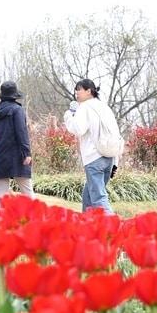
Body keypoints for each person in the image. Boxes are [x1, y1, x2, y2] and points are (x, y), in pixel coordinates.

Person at [63, 78, 119, 214]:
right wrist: (116, 162)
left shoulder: (85, 107)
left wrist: (68, 116)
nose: (76, 92)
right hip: (109, 157)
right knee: (89, 195)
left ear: (89, 91)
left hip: (94, 158)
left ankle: (113, 228)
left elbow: (78, 129)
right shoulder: (105, 107)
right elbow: (116, 133)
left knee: (98, 198)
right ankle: (85, 226)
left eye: (79, 89)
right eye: (76, 89)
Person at [0, 81, 33, 198]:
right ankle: (36, 216)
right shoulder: (17, 110)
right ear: (14, 95)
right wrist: (26, 153)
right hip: (16, 155)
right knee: (27, 190)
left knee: (1, 193)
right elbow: (21, 132)